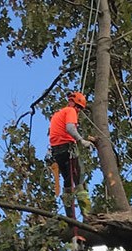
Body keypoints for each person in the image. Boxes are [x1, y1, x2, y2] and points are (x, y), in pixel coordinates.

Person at [48, 91, 96, 238]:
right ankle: (88, 217)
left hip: (57, 151)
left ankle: (70, 218)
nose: (79, 111)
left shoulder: (57, 114)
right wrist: (81, 140)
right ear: (76, 105)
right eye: (80, 108)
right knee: (79, 181)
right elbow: (70, 128)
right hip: (67, 149)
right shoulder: (70, 111)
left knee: (68, 183)